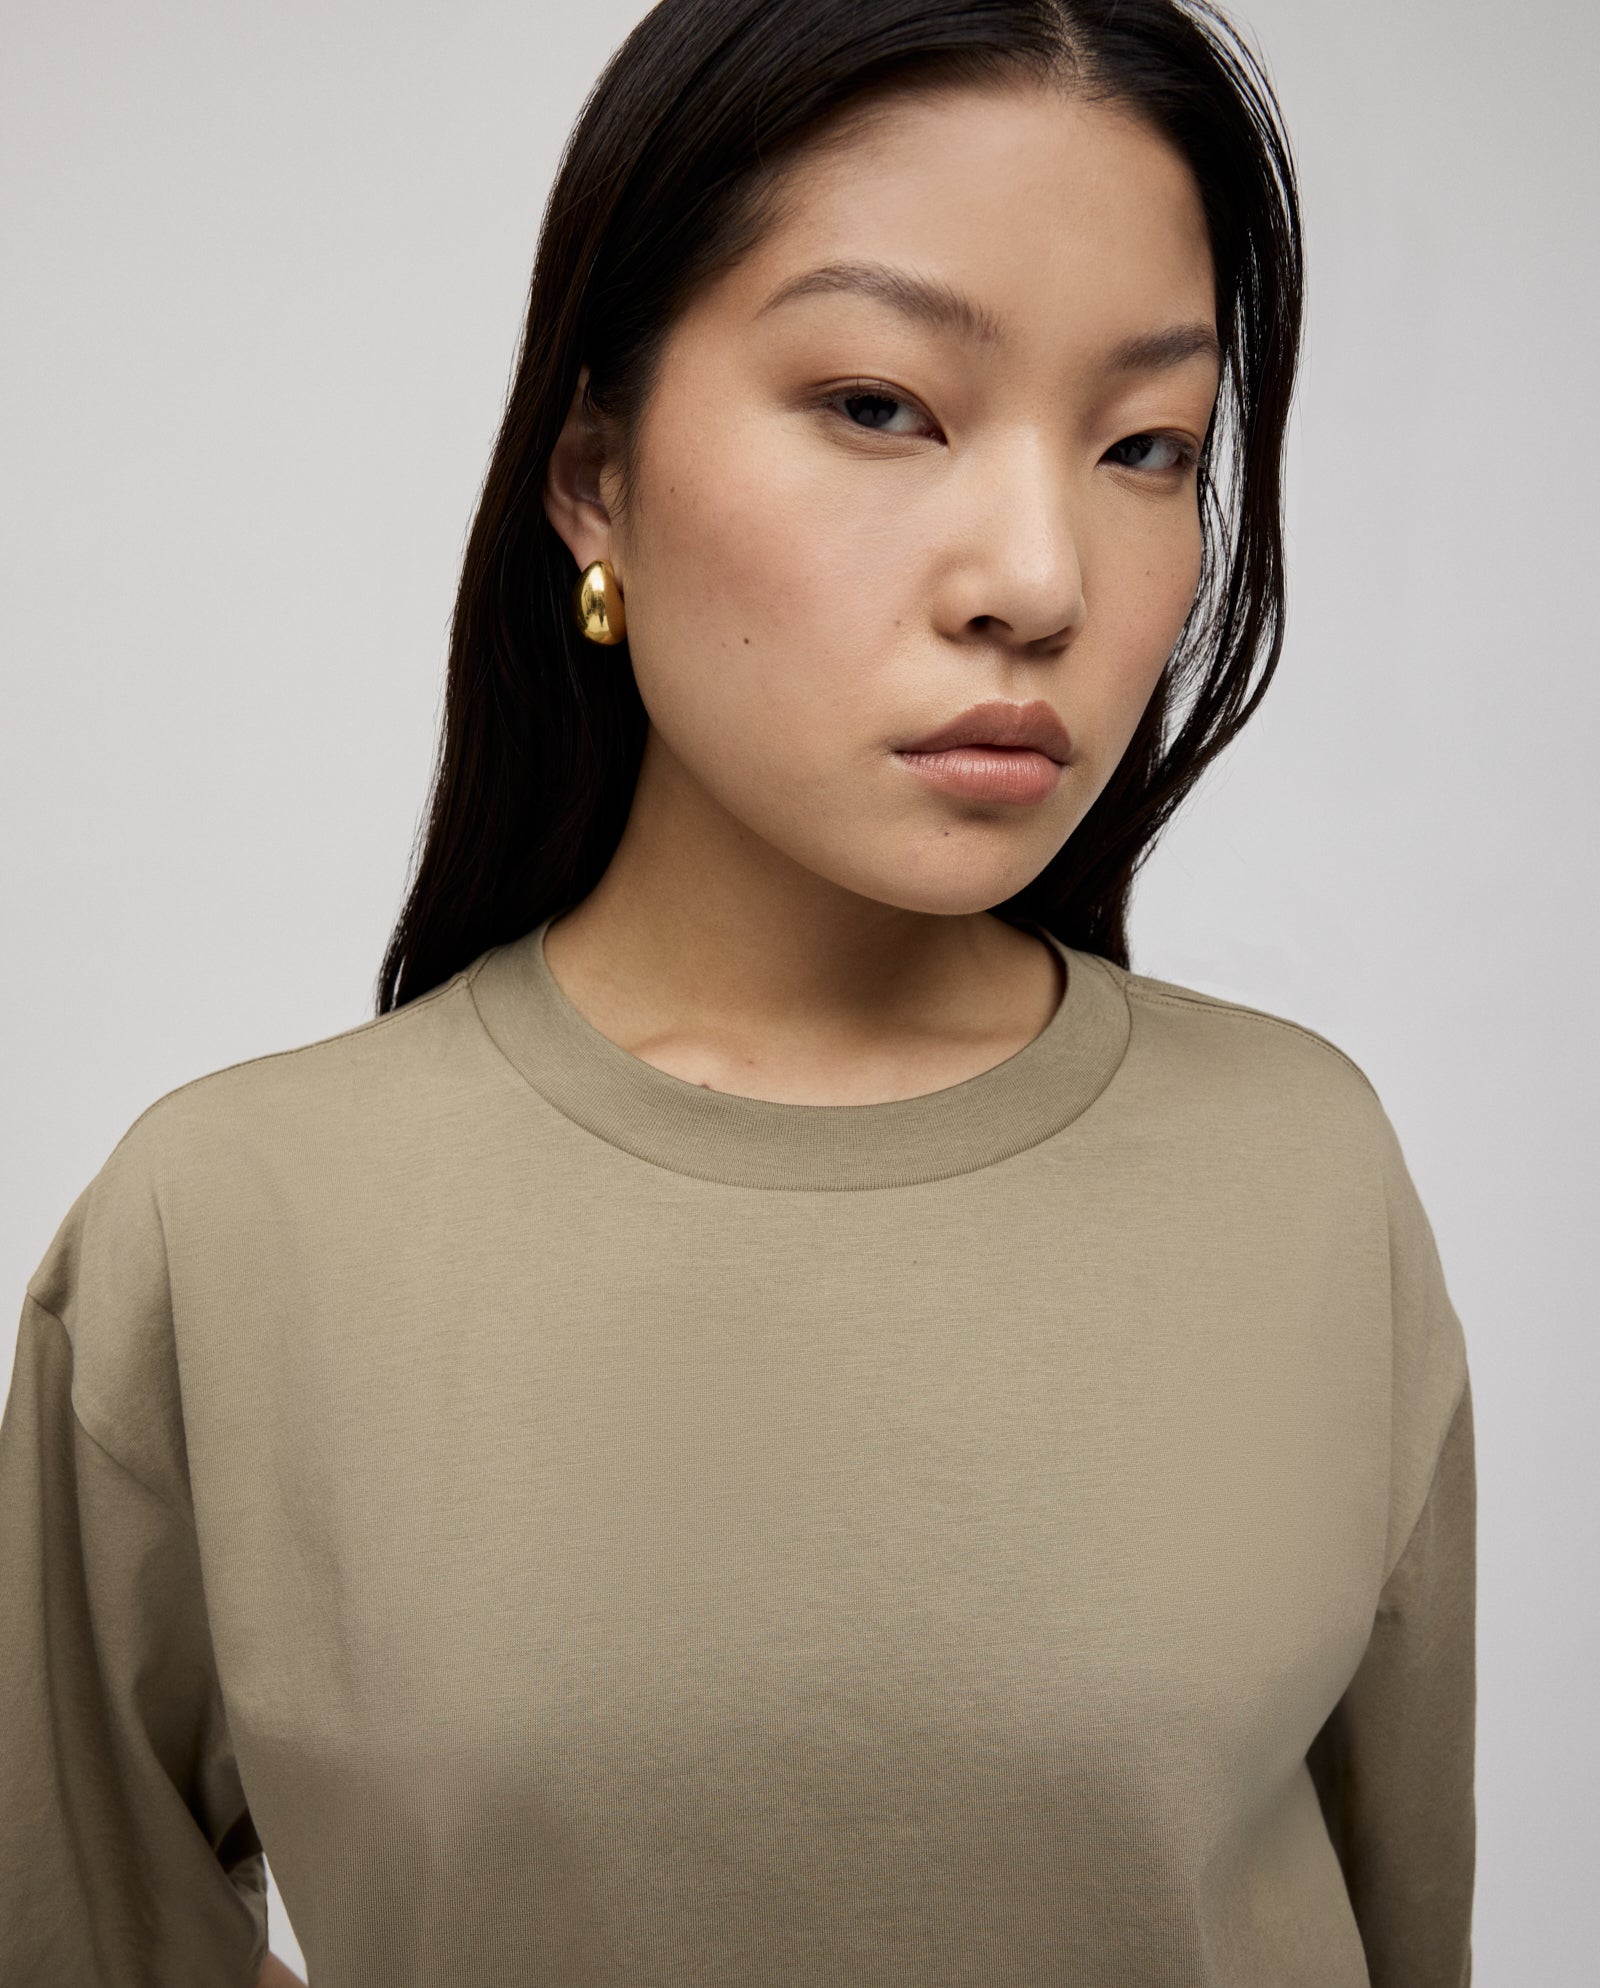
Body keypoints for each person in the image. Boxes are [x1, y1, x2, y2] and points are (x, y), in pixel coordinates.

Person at [0, 1, 1475, 1983]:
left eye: (1145, 445)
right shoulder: (229, 1225)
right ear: (590, 476)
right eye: (879, 403)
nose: (1036, 575)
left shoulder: (1297, 1171)